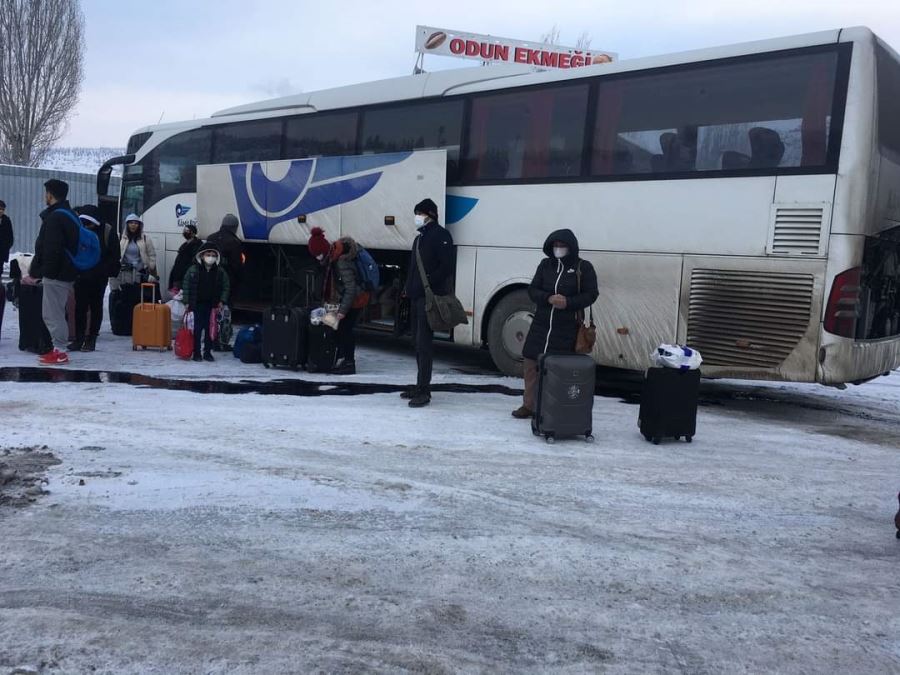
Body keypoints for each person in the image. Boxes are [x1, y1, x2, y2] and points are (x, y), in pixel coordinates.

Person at [513, 229, 599, 419]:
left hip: (567, 327)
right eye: (555, 246)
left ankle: (551, 406)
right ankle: (529, 405)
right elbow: (533, 290)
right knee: (530, 363)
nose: (558, 249)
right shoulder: (545, 265)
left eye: (562, 246)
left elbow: (591, 294)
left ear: (571, 247)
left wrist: (568, 302)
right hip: (541, 324)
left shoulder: (583, 267)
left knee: (557, 369)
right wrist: (548, 298)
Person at [402, 198, 454, 408]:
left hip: (429, 298)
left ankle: (424, 390)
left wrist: (428, 283)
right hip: (416, 297)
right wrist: (408, 288)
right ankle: (419, 385)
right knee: (417, 342)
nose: (417, 217)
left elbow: (447, 266)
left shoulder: (441, 235)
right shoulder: (419, 239)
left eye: (420, 213)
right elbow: (413, 268)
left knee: (424, 345)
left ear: (430, 214)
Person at [28, 179, 79, 365]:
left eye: (46, 193)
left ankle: (60, 351)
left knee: (53, 314)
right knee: (54, 312)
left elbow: (52, 249)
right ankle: (58, 349)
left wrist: (44, 272)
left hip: (56, 274)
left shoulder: (56, 217)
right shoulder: (69, 214)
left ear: (50, 194)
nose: (45, 196)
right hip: (64, 272)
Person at [307, 227, 367, 375]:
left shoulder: (341, 262)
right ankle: (334, 360)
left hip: (355, 300)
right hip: (343, 299)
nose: (318, 258)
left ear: (324, 250)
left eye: (319, 255)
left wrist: (342, 311)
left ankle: (348, 362)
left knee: (345, 330)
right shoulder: (333, 258)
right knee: (333, 328)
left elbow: (351, 288)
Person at [68, 205, 120, 352]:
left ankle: (91, 338)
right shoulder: (79, 230)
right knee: (80, 308)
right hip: (81, 276)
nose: (87, 227)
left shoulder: (107, 231)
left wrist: (102, 270)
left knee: (96, 307)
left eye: (89, 223)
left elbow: (114, 255)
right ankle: (79, 339)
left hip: (98, 277)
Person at [181, 242, 230, 362]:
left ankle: (207, 352)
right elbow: (186, 285)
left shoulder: (220, 272)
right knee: (196, 329)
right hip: (196, 304)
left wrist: (222, 301)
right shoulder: (193, 270)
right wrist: (186, 301)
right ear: (202, 255)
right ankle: (196, 352)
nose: (211, 257)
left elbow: (226, 286)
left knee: (210, 330)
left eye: (213, 255)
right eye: (208, 254)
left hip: (212, 306)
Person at [206, 213, 242, 299]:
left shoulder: (210, 238)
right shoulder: (234, 242)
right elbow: (236, 265)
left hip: (209, 278)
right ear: (234, 227)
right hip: (226, 280)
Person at [118, 213, 157, 283]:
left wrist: (151, 267)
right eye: (131, 223)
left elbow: (152, 255)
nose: (133, 225)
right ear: (127, 225)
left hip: (141, 272)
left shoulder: (145, 238)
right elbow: (119, 254)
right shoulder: (123, 238)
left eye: (136, 223)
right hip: (126, 273)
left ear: (139, 225)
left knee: (139, 292)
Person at [168, 223, 201, 292]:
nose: (184, 232)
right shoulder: (184, 245)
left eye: (187, 230)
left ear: (193, 233)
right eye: (184, 230)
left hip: (186, 277)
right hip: (178, 277)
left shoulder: (197, 246)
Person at [0, 199, 13, 269]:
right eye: (0, 209)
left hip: (1, 252)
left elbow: (10, 237)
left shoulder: (6, 220)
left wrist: (6, 247)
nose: (1, 211)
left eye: (3, 209)